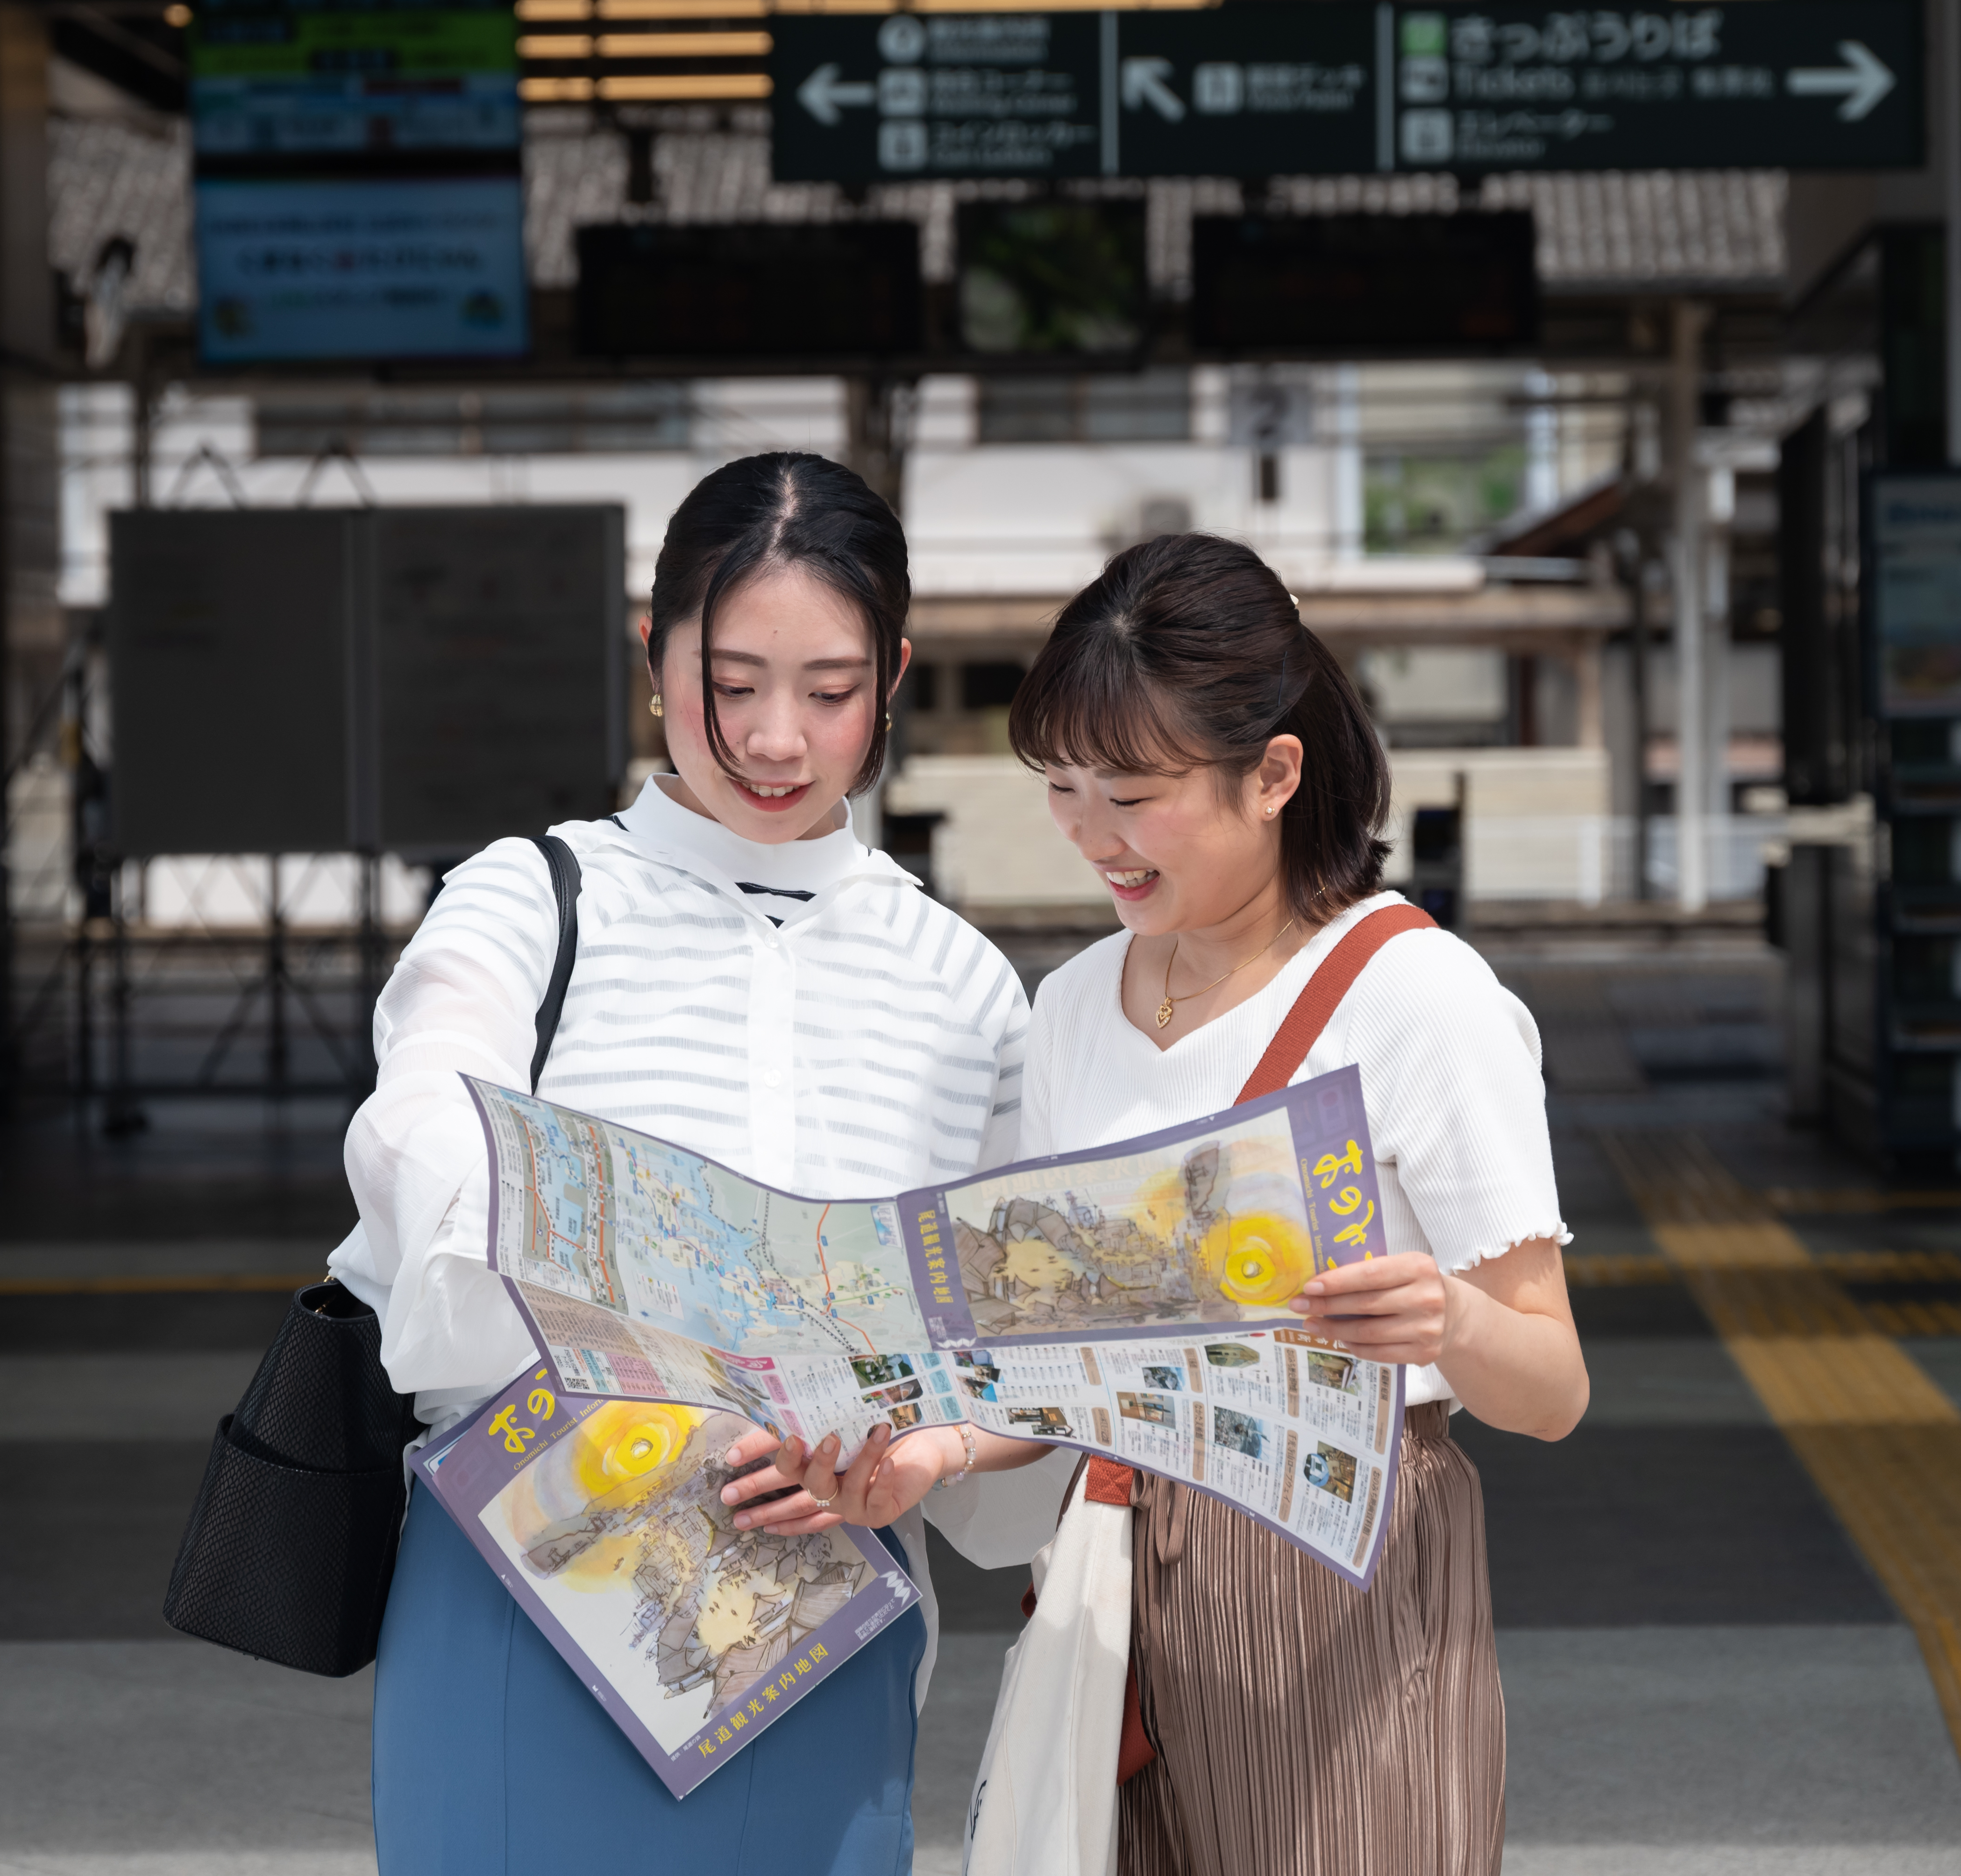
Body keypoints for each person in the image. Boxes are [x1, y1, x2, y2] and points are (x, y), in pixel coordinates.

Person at [760, 533, 1590, 1876]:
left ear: (1273, 773)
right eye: (1065, 787)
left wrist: (1443, 1317)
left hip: (1343, 1587)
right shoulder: (1077, 1003)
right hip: (1107, 1580)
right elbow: (1055, 1369)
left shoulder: (1418, 998)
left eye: (1133, 795)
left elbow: (1552, 1386)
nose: (1094, 834)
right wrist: (937, 1454)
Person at [328, 453, 1070, 1876]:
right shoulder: (528, 902)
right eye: (728, 683)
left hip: (821, 1605)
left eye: (831, 689)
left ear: (896, 674)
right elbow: (425, 1131)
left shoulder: (963, 987)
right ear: (649, 652)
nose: (777, 737)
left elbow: (1009, 1346)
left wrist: (918, 1449)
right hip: (527, 1582)